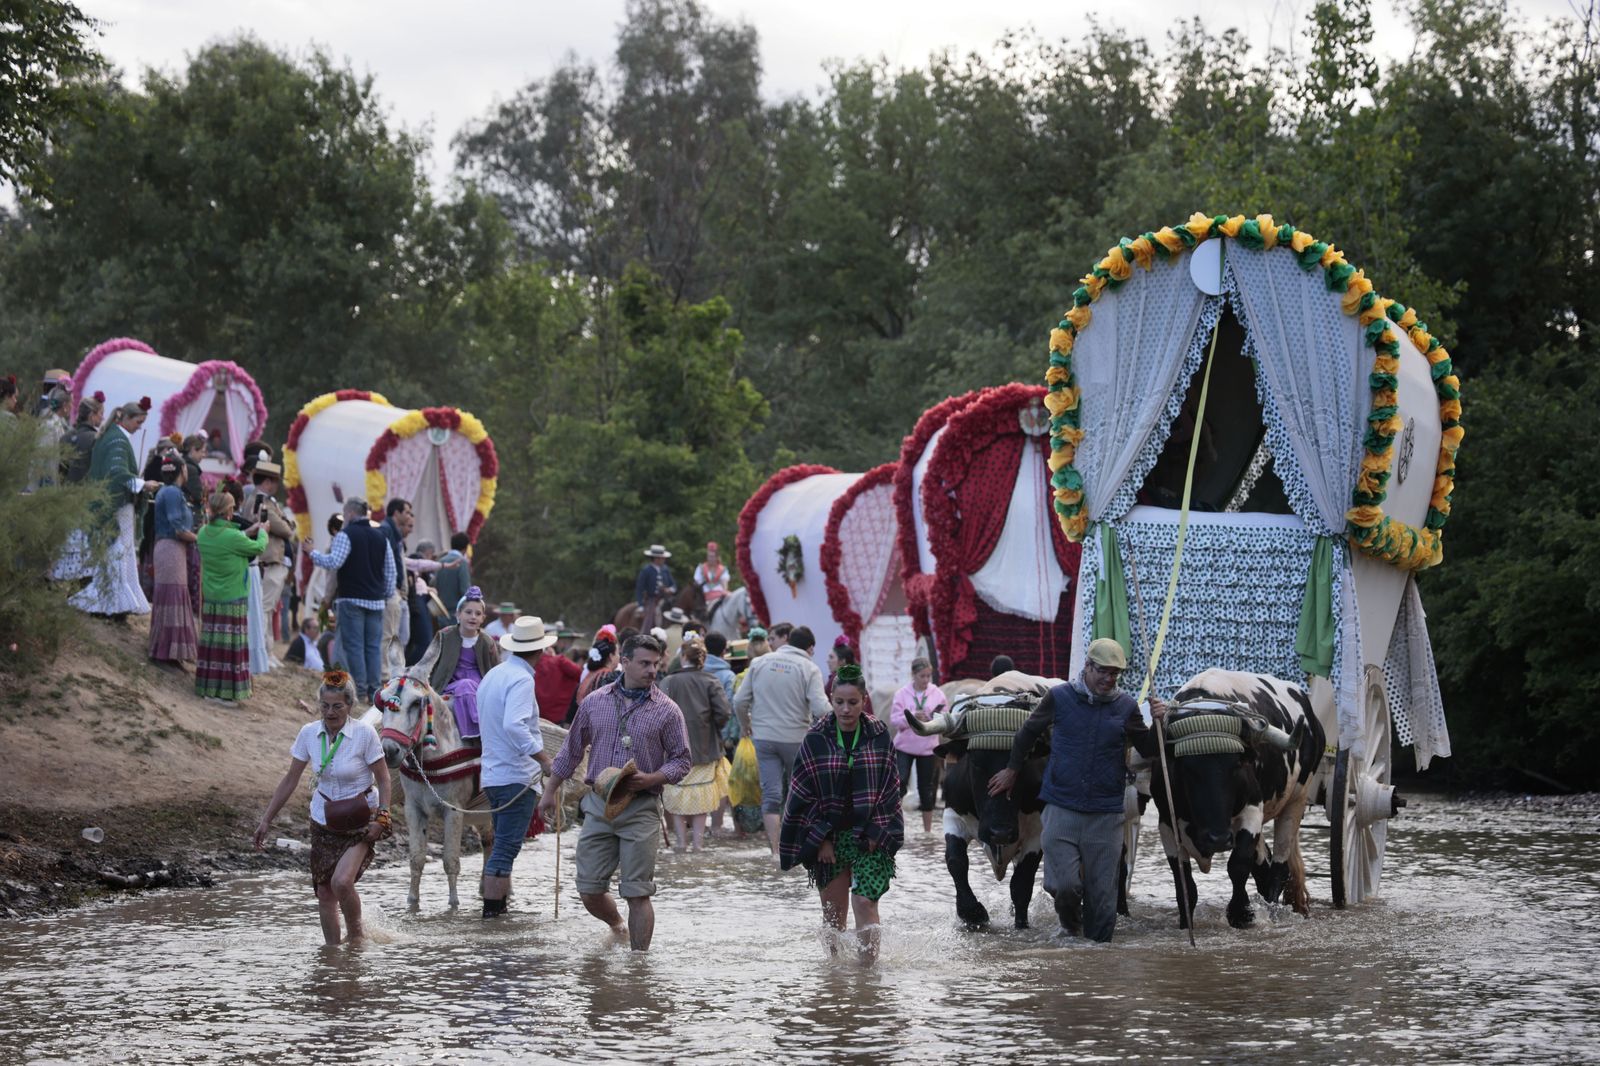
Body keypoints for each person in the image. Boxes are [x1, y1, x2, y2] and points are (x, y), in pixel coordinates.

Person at [987, 638, 1167, 942]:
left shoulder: (1125, 707)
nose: (1109, 679)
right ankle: (1070, 931)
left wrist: (1161, 723)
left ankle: (1095, 961)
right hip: (1061, 806)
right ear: (1087, 667)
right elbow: (1027, 733)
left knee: (1104, 899)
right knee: (1066, 884)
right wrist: (1012, 770)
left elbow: (1148, 749)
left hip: (1106, 813)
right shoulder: (1060, 698)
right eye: (1104, 672)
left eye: (1115, 674)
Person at [539, 634, 691, 951]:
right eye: (644, 663)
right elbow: (570, 751)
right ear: (624, 661)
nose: (652, 670)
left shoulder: (668, 711)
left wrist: (652, 778)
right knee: (589, 889)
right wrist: (550, 791)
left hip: (642, 807)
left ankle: (639, 968)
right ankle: (617, 926)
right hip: (597, 804)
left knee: (637, 891)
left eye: (656, 664)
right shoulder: (595, 702)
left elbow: (682, 760)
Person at [253, 670, 393, 945]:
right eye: (325, 706)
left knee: (342, 882)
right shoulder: (308, 733)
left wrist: (383, 816)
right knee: (325, 892)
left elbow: (384, 778)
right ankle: (331, 952)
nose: (330, 712)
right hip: (323, 820)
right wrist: (266, 820)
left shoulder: (364, 733)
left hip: (360, 819)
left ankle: (356, 941)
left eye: (337, 706)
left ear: (350, 706)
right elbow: (290, 779)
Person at [779, 664, 903, 962]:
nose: (846, 710)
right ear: (830, 699)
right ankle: (835, 975)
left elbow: (891, 788)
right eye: (839, 702)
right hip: (829, 836)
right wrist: (820, 839)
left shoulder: (878, 734)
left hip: (871, 835)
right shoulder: (816, 737)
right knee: (834, 915)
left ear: (865, 700)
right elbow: (802, 794)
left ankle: (867, 976)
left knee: (864, 901)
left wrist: (877, 832)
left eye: (853, 702)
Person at [477, 615, 558, 918]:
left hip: (493, 775)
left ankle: (498, 913)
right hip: (515, 776)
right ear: (539, 651)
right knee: (505, 851)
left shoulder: (494, 675)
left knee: (501, 845)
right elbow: (514, 726)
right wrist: (545, 759)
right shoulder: (523, 679)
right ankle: (493, 916)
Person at [732, 624, 830, 858]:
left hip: (764, 737)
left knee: (771, 795)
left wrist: (745, 724)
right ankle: (797, 845)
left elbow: (739, 701)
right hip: (796, 738)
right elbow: (821, 709)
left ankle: (776, 850)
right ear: (810, 648)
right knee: (799, 794)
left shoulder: (759, 663)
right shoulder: (810, 668)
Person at [70, 400, 159, 619]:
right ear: (125, 418)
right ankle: (111, 606)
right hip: (117, 507)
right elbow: (117, 473)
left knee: (117, 553)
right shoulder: (118, 440)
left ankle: (114, 604)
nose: (139, 426)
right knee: (118, 552)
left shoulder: (108, 436)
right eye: (138, 422)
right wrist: (142, 484)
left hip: (111, 504)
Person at [307, 496, 397, 704]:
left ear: (349, 513)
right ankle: (375, 691)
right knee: (373, 647)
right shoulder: (381, 537)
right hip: (375, 601)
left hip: (351, 599)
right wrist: (383, 594)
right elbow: (391, 572)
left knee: (355, 646)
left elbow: (334, 561)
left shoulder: (345, 535)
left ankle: (362, 691)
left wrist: (312, 553)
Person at [659, 636, 732, 851]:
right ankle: (698, 844)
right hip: (705, 747)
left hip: (673, 748)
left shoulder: (669, 682)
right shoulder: (710, 681)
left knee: (678, 793)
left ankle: (681, 843)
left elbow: (658, 713)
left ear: (682, 657)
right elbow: (724, 712)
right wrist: (712, 727)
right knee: (701, 796)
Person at [195, 490, 267, 703]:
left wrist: (250, 530)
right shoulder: (233, 537)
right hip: (233, 596)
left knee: (212, 648)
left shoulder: (203, 533)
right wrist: (262, 531)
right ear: (228, 511)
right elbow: (259, 547)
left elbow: (229, 541)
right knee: (231, 649)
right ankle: (227, 695)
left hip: (211, 597)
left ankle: (209, 690)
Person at [411, 586, 500, 742]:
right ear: (458, 614)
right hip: (450, 683)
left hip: (478, 685)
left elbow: (496, 669)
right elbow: (429, 661)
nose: (473, 617)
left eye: (478, 614)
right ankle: (474, 731)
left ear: (483, 618)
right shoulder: (444, 636)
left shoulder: (487, 642)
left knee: (469, 685)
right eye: (468, 612)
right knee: (465, 685)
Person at [147, 456, 198, 669]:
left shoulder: (166, 491)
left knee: (171, 598)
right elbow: (178, 528)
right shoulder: (174, 493)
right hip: (171, 548)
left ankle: (168, 651)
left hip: (169, 549)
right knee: (172, 597)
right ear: (182, 470)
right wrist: (200, 538)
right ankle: (163, 653)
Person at [890, 657, 947, 833]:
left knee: (927, 788)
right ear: (913, 675)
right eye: (922, 676)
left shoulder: (937, 693)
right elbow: (894, 719)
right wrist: (912, 718)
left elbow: (946, 717)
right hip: (904, 746)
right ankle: (895, 823)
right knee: (900, 782)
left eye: (928, 676)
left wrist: (931, 718)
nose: (926, 680)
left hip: (927, 747)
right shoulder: (902, 694)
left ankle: (927, 831)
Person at [244, 459, 296, 645]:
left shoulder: (264, 501)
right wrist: (287, 523)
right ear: (267, 482)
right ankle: (263, 649)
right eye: (274, 481)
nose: (277, 485)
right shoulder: (261, 503)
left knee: (268, 607)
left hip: (274, 561)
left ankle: (268, 649)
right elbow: (286, 529)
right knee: (265, 608)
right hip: (269, 561)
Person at [379, 498, 413, 676]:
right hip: (390, 592)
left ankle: (392, 673)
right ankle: (385, 675)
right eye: (406, 512)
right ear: (396, 512)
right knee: (388, 636)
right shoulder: (386, 530)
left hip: (396, 592)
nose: (408, 517)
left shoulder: (394, 533)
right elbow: (385, 564)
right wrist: (390, 590)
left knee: (397, 636)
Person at [535, 630, 583, 724]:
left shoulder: (538, 660)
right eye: (569, 641)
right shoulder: (561, 660)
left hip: (538, 713)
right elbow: (580, 675)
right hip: (556, 716)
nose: (570, 645)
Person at [633, 544, 677, 631]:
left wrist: (669, 590)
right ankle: (646, 633)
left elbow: (674, 585)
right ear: (656, 558)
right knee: (650, 617)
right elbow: (639, 589)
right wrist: (640, 605)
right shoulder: (646, 570)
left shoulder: (665, 569)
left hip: (666, 599)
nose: (664, 560)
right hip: (652, 600)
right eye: (662, 558)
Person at [433, 532, 472, 625]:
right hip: (456, 615)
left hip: (440, 614)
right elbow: (465, 590)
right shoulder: (462, 562)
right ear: (466, 548)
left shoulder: (441, 561)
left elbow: (434, 584)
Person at [692, 541, 730, 607]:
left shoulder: (722, 569)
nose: (711, 559)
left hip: (719, 593)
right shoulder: (701, 568)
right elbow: (697, 583)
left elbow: (724, 583)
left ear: (716, 557)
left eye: (713, 557)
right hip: (704, 594)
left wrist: (725, 591)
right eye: (709, 556)